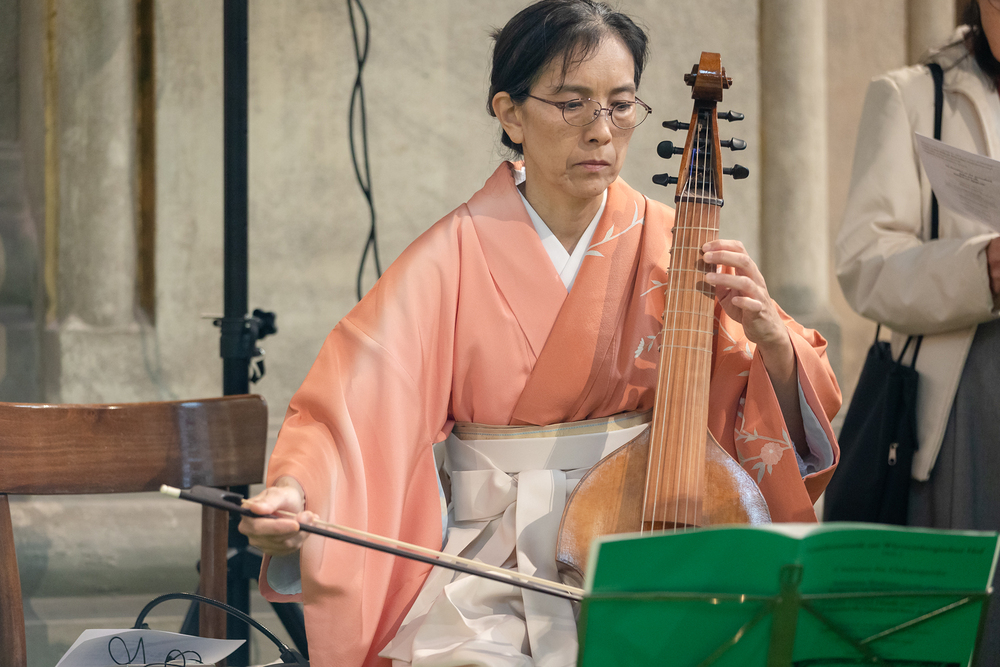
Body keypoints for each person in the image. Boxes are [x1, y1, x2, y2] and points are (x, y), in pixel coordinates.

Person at [241, 2, 840, 665]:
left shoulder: (679, 245)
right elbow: (355, 401)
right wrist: (294, 492)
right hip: (492, 564)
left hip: (647, 546)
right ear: (510, 113)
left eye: (621, 105)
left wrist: (774, 344)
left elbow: (755, 410)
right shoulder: (454, 253)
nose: (601, 131)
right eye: (572, 103)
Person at [836, 0, 1000, 661]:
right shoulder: (913, 96)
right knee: (972, 630)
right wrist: (983, 269)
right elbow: (864, 266)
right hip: (970, 405)